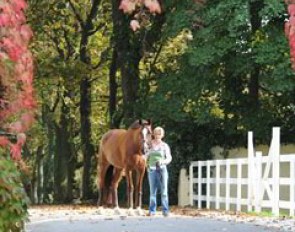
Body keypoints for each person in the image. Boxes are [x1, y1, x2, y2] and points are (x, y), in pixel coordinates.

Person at [145, 126, 172, 217]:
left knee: (164, 191)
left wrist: (162, 162)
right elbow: (146, 156)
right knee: (152, 192)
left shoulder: (165, 146)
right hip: (152, 170)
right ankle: (152, 211)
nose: (157, 135)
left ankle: (165, 211)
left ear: (162, 135)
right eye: (156, 134)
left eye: (159, 134)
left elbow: (169, 158)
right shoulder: (150, 145)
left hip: (162, 170)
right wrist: (145, 163)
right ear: (154, 134)